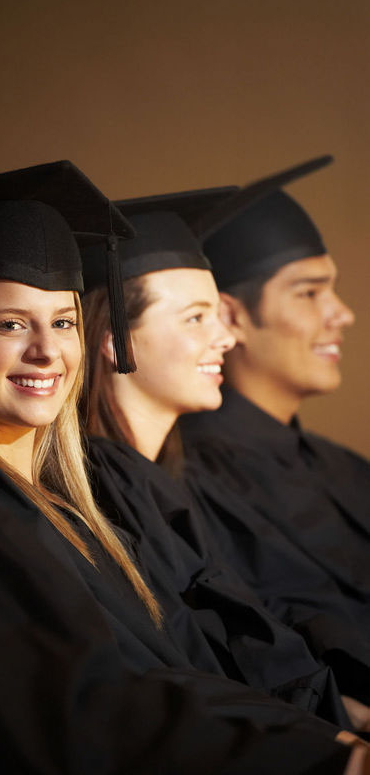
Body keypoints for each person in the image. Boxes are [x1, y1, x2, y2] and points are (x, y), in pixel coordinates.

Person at [0, 22, 365, 772]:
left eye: (61, 322)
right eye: (11, 323)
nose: (47, 351)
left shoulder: (112, 491)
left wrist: (333, 732)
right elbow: (72, 704)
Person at [79, 162, 370, 731]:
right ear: (115, 340)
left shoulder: (167, 484)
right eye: (197, 316)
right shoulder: (125, 496)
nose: (226, 336)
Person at [174, 158, 370, 694]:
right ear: (230, 318)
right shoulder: (191, 483)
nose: (343, 314)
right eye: (308, 293)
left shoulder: (344, 467)